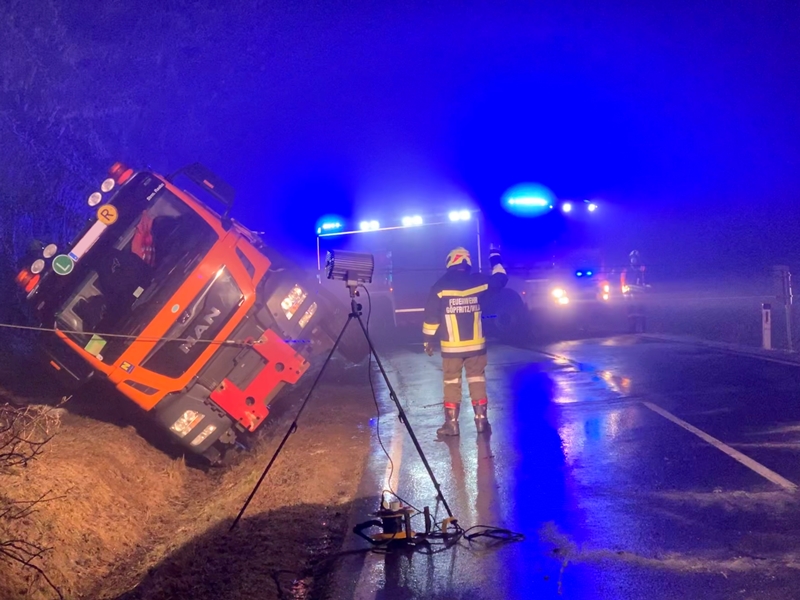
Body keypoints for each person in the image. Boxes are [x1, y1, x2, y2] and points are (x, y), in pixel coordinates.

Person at [422, 245, 508, 437]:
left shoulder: (439, 286)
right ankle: (481, 422)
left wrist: (428, 340)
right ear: (467, 262)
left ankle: (451, 425)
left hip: (451, 348)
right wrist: (495, 257)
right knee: (477, 379)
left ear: (450, 262)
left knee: (451, 382)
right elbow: (501, 279)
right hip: (476, 347)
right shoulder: (478, 281)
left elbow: (431, 317)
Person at [620, 250, 647, 333]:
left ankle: (642, 329)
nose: (633, 259)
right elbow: (623, 280)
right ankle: (632, 328)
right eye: (632, 258)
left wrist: (646, 286)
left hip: (640, 294)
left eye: (635, 258)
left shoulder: (642, 269)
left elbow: (645, 280)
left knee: (640, 311)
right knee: (630, 311)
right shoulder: (627, 269)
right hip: (629, 294)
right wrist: (624, 291)